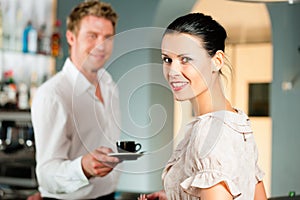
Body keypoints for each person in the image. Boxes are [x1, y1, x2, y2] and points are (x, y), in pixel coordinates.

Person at [139, 13, 267, 200]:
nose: (172, 71)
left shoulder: (209, 136)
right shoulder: (237, 121)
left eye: (186, 59)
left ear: (217, 61)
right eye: (167, 59)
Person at [30, 1, 121, 199]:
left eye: (107, 37)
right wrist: (83, 168)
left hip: (108, 195)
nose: (101, 45)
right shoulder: (52, 95)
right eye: (92, 36)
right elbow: (45, 174)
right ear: (71, 37)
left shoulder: (110, 85)